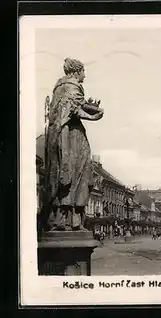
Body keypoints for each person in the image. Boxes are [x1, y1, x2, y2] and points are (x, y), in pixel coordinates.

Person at [42, 58, 104, 231]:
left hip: (58, 135)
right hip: (71, 135)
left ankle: (60, 217)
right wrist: (98, 111)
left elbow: (68, 108)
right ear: (77, 72)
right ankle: (73, 219)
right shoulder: (72, 86)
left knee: (61, 172)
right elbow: (78, 108)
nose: (85, 75)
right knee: (79, 171)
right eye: (83, 71)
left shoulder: (58, 87)